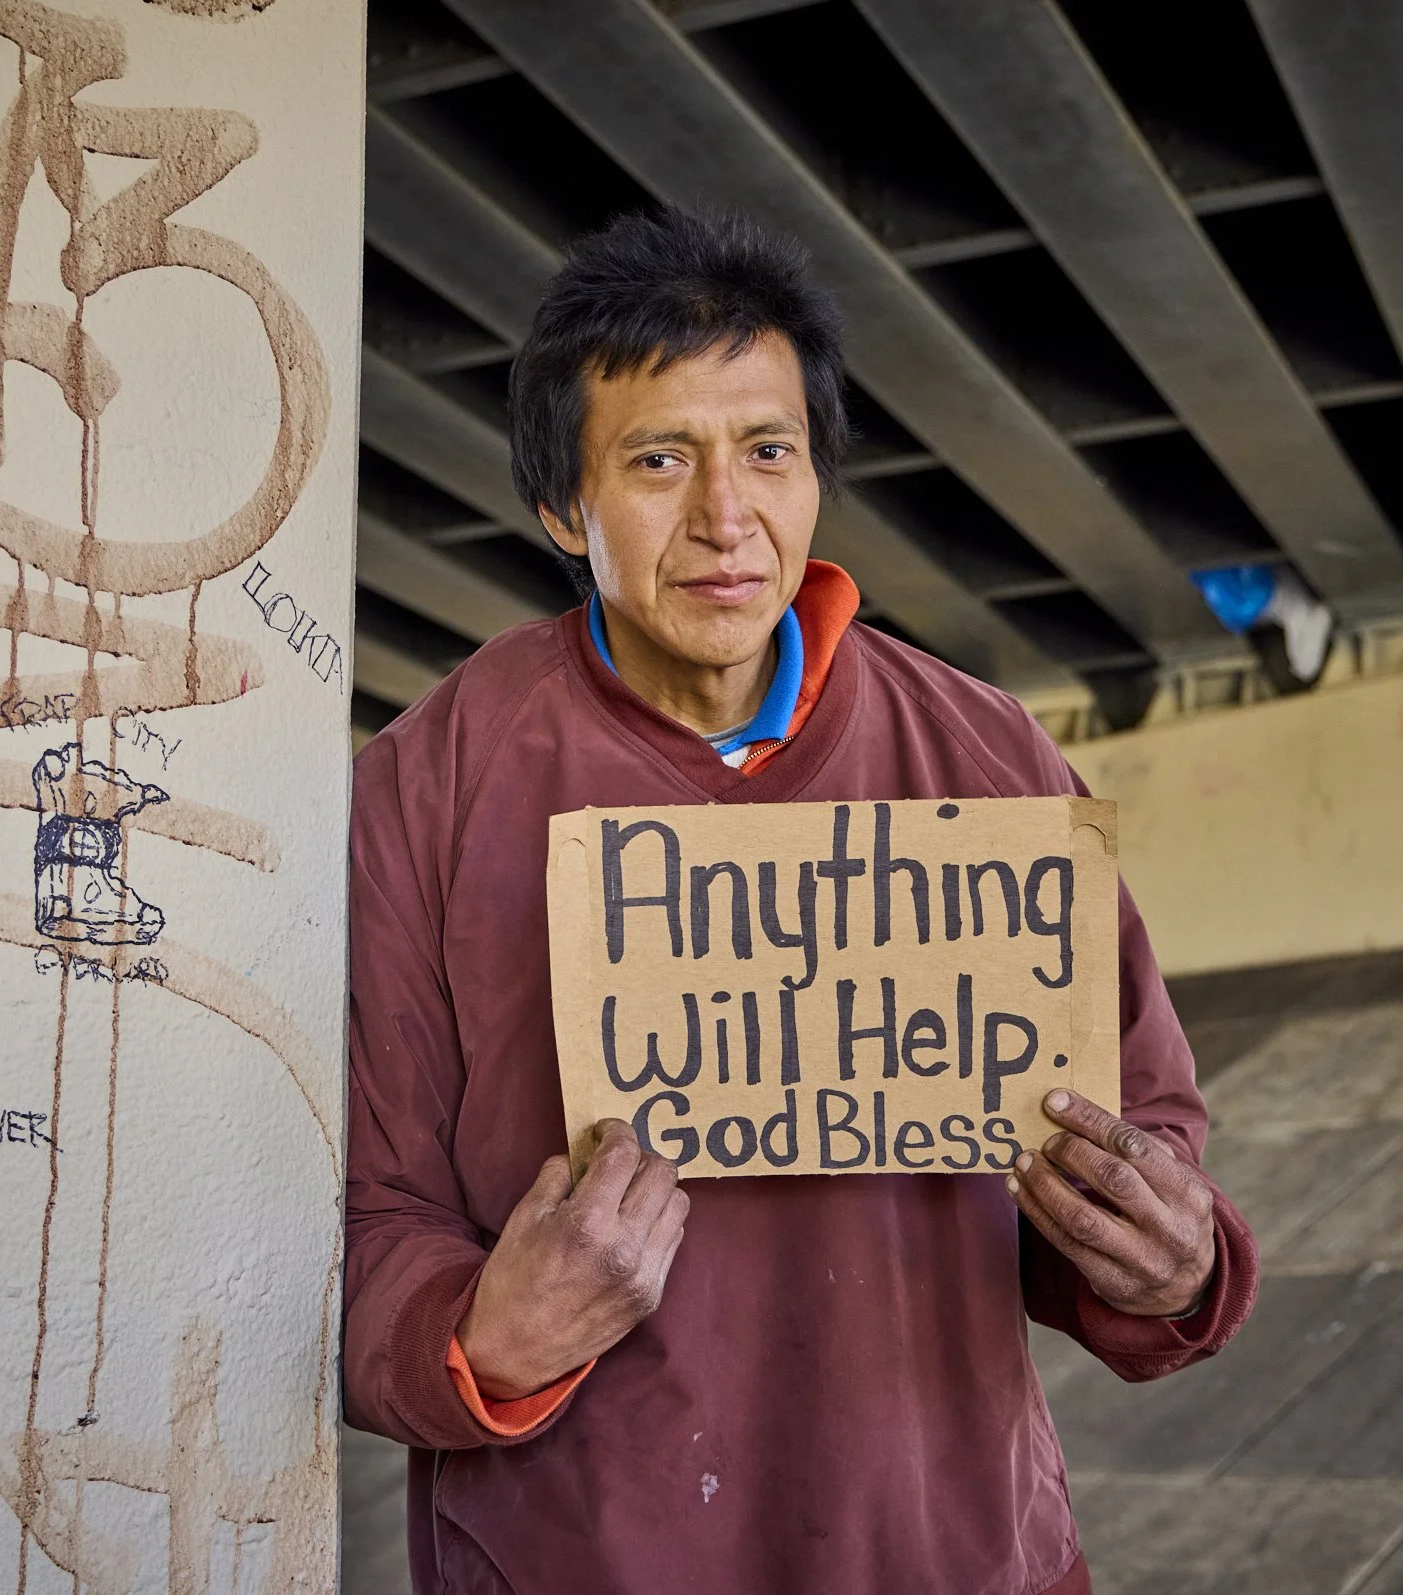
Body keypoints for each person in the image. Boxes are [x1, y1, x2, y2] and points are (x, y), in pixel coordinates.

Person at [344, 208, 1258, 1595]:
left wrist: (1170, 1254)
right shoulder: (425, 789)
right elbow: (362, 1210)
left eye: (767, 451)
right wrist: (477, 1332)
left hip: (956, 1553)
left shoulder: (988, 758)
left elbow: (1141, 1124)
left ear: (816, 472)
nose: (726, 517)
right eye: (658, 460)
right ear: (561, 507)